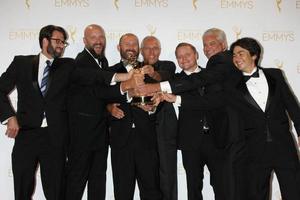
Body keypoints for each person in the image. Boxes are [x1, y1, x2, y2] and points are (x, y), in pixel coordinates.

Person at [65, 24, 142, 200]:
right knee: (76, 182)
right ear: (84, 41)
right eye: (93, 38)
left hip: (100, 135)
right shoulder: (80, 62)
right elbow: (98, 88)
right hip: (81, 136)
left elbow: (101, 97)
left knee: (98, 181)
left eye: (101, 37)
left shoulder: (103, 61)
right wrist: (125, 84)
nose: (98, 41)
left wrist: (110, 106)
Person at [0, 25, 73, 200]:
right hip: (26, 136)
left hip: (55, 137)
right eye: (58, 41)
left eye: (64, 42)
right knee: (22, 190)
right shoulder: (21, 63)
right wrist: (10, 117)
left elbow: (91, 76)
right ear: (44, 41)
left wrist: (121, 79)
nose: (61, 46)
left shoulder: (68, 65)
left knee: (56, 192)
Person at [227, 37, 300, 200]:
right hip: (254, 150)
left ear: (254, 55)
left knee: (294, 191)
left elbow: (291, 104)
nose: (236, 58)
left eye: (240, 53)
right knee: (257, 195)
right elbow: (210, 101)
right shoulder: (231, 85)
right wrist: (177, 98)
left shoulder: (275, 75)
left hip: (283, 146)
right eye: (234, 55)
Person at [109, 35, 177, 200]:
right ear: (119, 47)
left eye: (134, 44)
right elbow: (101, 97)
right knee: (122, 191)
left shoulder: (148, 70)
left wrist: (152, 108)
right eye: (127, 43)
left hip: (146, 139)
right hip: (120, 140)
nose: (131, 47)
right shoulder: (110, 72)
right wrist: (109, 107)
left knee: (151, 190)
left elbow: (162, 85)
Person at [156, 43, 226, 200]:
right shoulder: (174, 81)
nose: (183, 59)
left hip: (216, 139)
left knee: (222, 184)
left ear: (196, 55)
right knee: (193, 186)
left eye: (187, 54)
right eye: (179, 57)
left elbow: (217, 101)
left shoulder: (213, 75)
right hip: (190, 141)